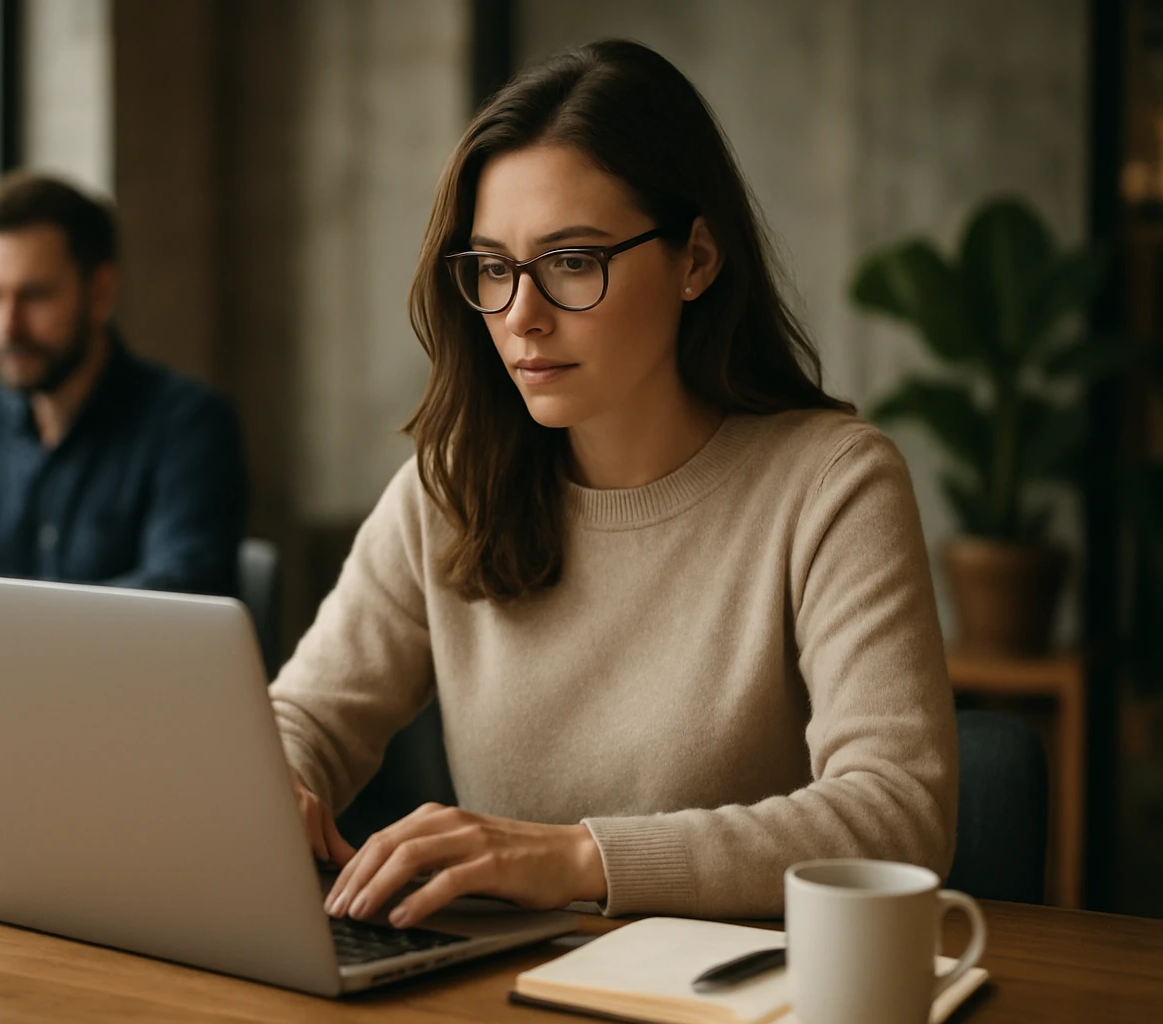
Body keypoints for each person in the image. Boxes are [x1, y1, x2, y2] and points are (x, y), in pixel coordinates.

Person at [271, 39, 957, 928]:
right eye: (492, 267)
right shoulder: (450, 489)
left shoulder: (831, 485)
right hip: (506, 987)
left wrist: (573, 858)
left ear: (696, 260)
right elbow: (306, 721)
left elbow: (898, 815)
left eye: (572, 261)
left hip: (739, 991)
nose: (521, 315)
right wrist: (276, 784)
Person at [0, 172, 248, 596]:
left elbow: (181, 594)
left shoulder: (190, 425)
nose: (7, 326)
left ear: (100, 293)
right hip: (7, 663)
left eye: (33, 296)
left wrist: (10, 631)